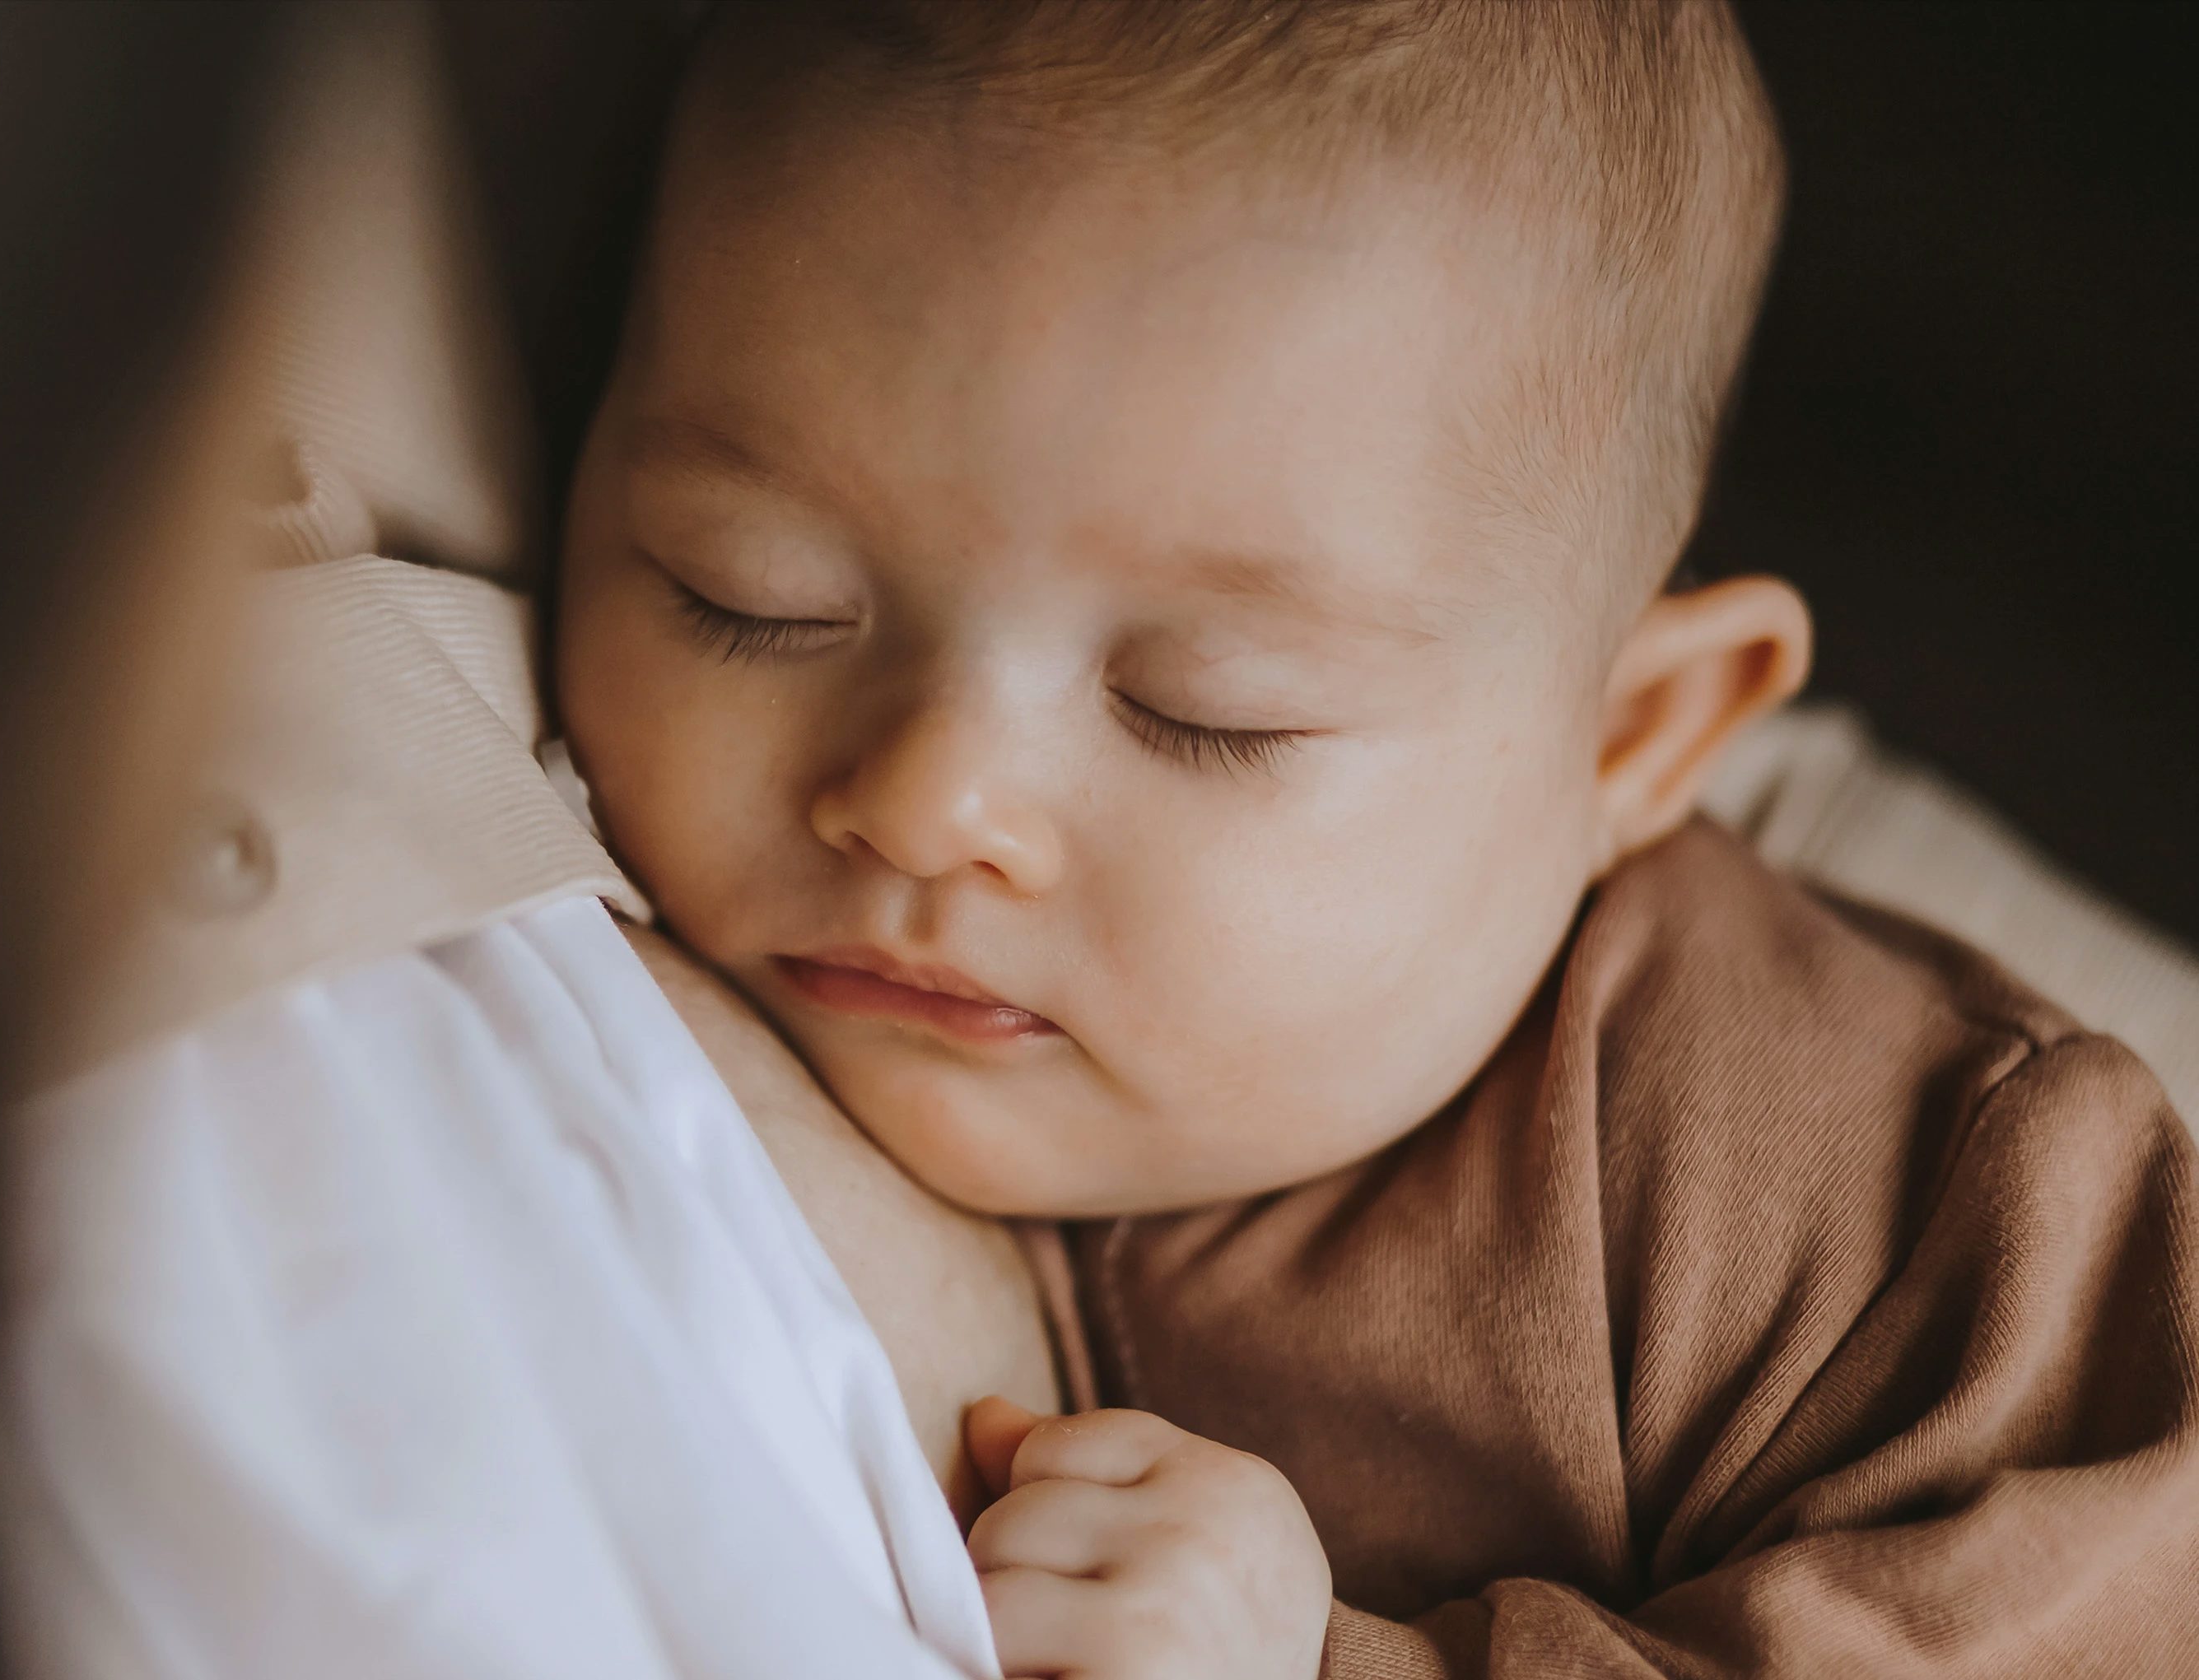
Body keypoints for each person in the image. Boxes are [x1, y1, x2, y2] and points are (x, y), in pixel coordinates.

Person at [550, 2, 2199, 1675]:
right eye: (744, 593)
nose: (924, 798)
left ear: (1627, 741)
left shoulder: (1893, 1198)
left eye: (1207, 710)